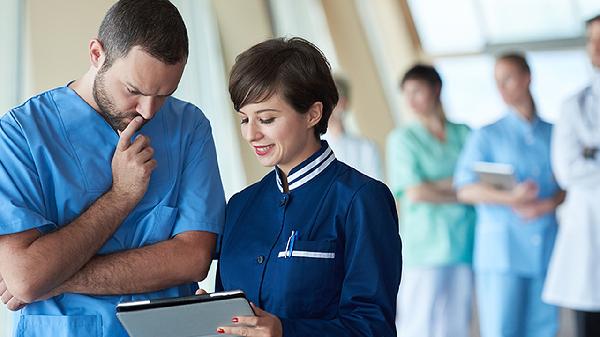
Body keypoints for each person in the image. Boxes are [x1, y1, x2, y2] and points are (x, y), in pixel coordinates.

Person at [0, 1, 225, 336]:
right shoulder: (21, 135)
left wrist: (56, 278)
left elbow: (192, 259)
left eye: (164, 94)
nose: (148, 111)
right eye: (133, 90)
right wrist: (121, 197)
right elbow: (27, 276)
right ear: (96, 53)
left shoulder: (188, 127)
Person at [213, 37, 402, 337]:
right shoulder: (239, 206)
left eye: (266, 119)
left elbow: (373, 327)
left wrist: (286, 331)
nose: (251, 134)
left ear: (313, 114)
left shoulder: (361, 200)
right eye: (244, 120)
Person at [454, 53, 565, 337]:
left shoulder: (555, 133)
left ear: (527, 78)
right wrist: (512, 198)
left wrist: (547, 204)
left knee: (545, 328)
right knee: (503, 329)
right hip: (502, 251)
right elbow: (464, 189)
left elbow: (569, 184)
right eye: (496, 82)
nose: (501, 88)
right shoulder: (487, 135)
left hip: (546, 245)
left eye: (508, 79)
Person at [387, 64, 475, 337]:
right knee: (418, 322)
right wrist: (459, 186)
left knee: (457, 322)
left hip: (464, 241)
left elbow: (478, 181)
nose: (411, 100)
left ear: (436, 90)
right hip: (424, 246)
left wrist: (434, 185)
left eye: (417, 91)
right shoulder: (403, 139)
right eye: (406, 94)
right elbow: (415, 192)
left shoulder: (464, 133)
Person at [543, 14, 600, 337]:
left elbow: (583, 169)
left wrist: (592, 155)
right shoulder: (574, 106)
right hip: (587, 238)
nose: (595, 47)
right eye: (591, 39)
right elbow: (568, 172)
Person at [322, 75, 383, 180]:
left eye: (335, 96)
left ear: (345, 102)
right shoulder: (314, 151)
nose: (329, 103)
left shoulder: (367, 147)